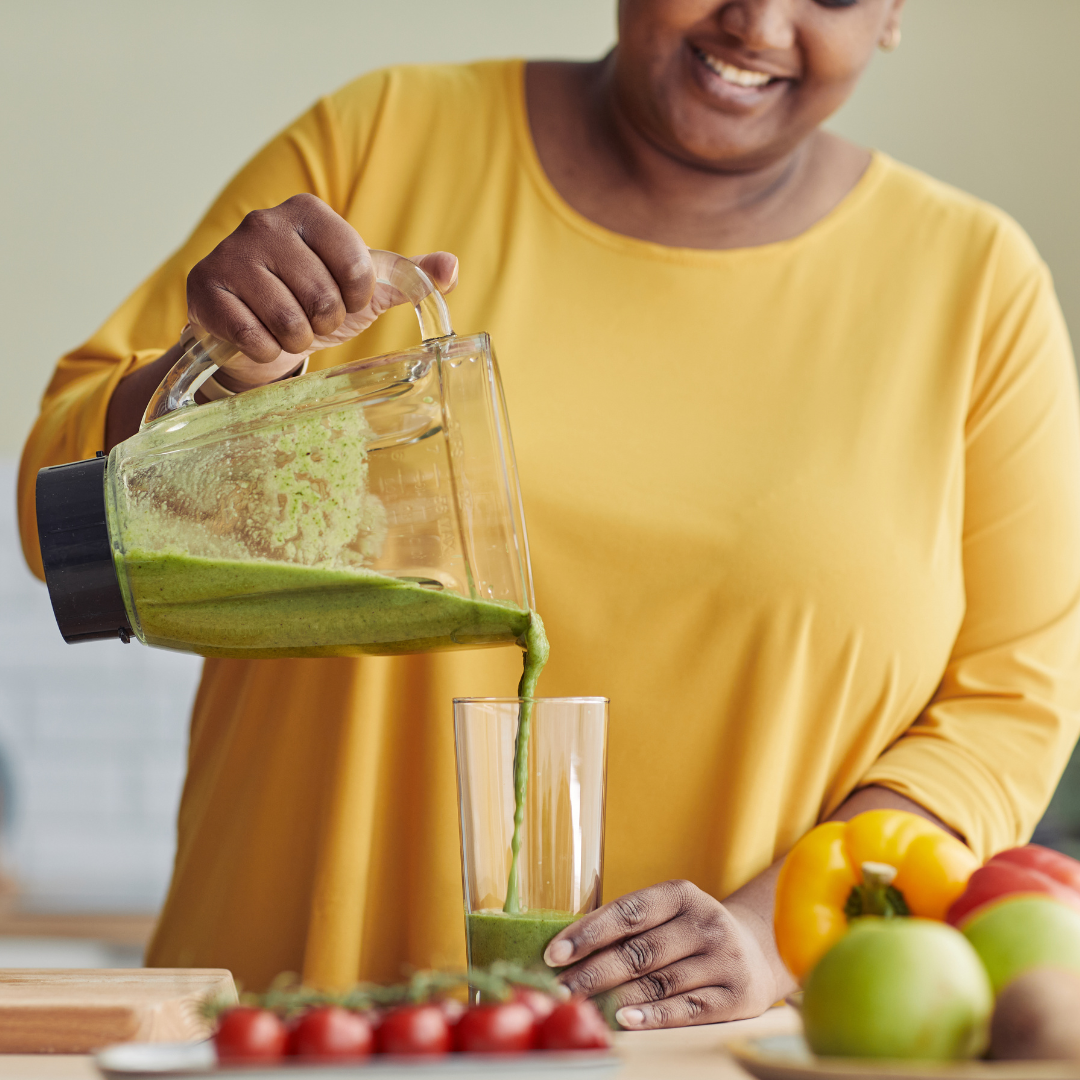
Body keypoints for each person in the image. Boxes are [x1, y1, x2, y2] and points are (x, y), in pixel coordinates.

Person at [18, 0, 1080, 1028]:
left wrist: (771, 935)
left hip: (701, 1057)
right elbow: (51, 518)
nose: (756, 23)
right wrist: (228, 376)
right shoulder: (381, 142)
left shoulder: (976, 290)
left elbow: (1012, 698)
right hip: (283, 1029)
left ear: (893, 13)